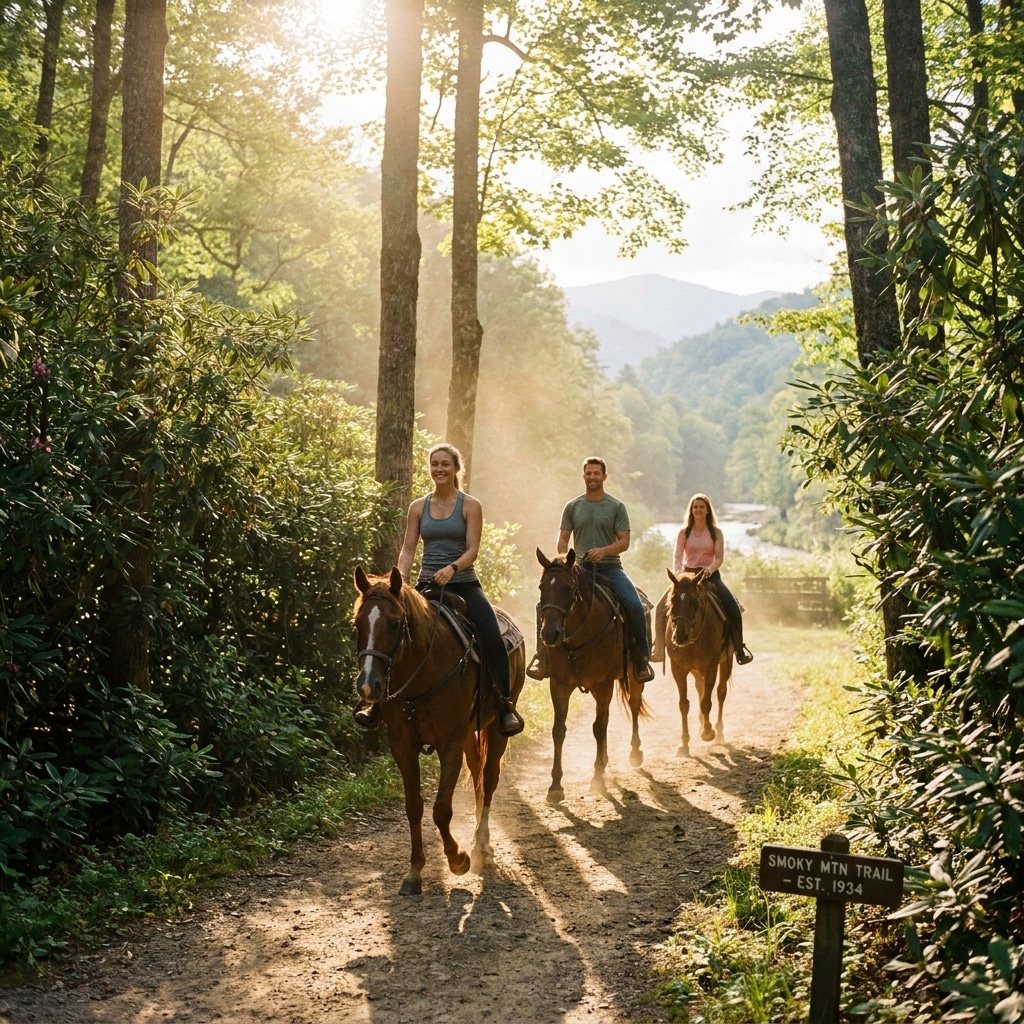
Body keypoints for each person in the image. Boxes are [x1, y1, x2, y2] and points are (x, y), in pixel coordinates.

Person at [354, 443, 524, 737]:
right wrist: (402, 581)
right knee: (387, 633)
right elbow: (408, 548)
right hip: (425, 585)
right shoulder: (418, 507)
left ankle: (504, 706)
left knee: (492, 636)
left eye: (445, 464)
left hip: (464, 583)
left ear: (457, 469)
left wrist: (453, 568)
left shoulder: (470, 505)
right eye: (434, 464)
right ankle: (373, 702)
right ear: (429, 469)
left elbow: (472, 550)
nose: (439, 469)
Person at [528, 456, 655, 683]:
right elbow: (563, 539)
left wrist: (605, 551)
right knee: (543, 605)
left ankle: (641, 659)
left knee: (636, 606)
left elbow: (624, 542)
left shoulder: (616, 507)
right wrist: (565, 563)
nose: (592, 477)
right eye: (588, 473)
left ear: (604, 476)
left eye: (597, 473)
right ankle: (543, 657)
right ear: (583, 475)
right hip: (579, 569)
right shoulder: (573, 506)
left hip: (611, 569)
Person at [672, 493, 753, 664]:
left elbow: (719, 558)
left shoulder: (716, 532)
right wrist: (678, 572)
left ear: (708, 510)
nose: (698, 510)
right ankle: (658, 647)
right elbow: (678, 556)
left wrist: (709, 570)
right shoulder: (684, 532)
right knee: (662, 606)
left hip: (710, 576)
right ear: (691, 510)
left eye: (702, 507)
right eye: (695, 507)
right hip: (687, 577)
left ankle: (739, 649)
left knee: (733, 608)